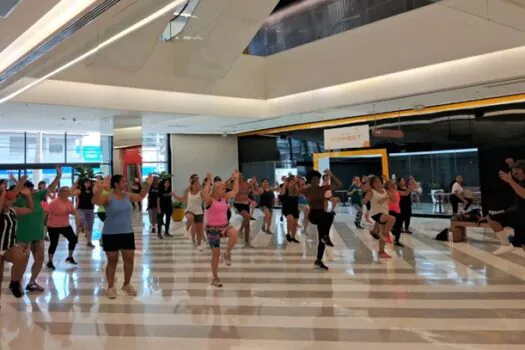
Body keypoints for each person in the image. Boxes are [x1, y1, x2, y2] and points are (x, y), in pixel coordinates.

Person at [92, 174, 153, 299]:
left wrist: (147, 184)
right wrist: (98, 189)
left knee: (129, 259)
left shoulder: (127, 196)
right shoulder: (108, 196)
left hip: (127, 232)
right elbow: (95, 201)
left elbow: (141, 196)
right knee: (112, 260)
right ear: (116, 184)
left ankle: (126, 284)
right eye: (123, 182)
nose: (125, 184)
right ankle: (110, 287)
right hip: (110, 233)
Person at [13, 167, 61, 293]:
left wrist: (58, 176)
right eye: (27, 188)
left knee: (39, 259)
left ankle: (32, 282)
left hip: (38, 234)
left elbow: (50, 188)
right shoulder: (16, 201)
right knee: (22, 261)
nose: (30, 190)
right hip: (23, 235)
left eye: (30, 188)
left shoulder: (36, 196)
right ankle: (16, 282)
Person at [202, 171, 239, 287]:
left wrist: (236, 179)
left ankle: (227, 253)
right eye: (222, 188)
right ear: (216, 190)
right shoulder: (209, 200)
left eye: (224, 188)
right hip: (212, 229)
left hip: (224, 226)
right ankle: (215, 277)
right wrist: (208, 183)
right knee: (215, 254)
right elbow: (204, 194)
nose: (225, 190)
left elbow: (234, 191)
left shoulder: (224, 198)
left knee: (234, 233)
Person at [1, 179, 35, 302]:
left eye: (13, 198)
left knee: (23, 255)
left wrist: (28, 196)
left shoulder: (13, 211)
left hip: (8, 245)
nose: (12, 200)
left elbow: (31, 209)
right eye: (8, 199)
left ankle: (15, 282)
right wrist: (3, 193)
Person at [304, 169, 342, 270]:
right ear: (310, 180)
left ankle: (319, 260)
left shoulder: (323, 188)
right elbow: (293, 193)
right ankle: (326, 236)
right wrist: (303, 186)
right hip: (313, 214)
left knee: (330, 216)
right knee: (327, 217)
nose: (317, 180)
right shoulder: (307, 190)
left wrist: (331, 174)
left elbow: (339, 185)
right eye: (315, 179)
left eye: (318, 178)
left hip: (321, 213)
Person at [487, 159, 525, 255]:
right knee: (492, 217)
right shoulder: (520, 181)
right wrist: (512, 164)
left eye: (515, 169)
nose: (512, 171)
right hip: (519, 216)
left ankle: (506, 245)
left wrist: (510, 181)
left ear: (521, 170)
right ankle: (506, 245)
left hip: (522, 217)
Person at [363, 176, 396, 259]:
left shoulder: (385, 191)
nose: (377, 183)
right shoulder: (371, 191)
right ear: (372, 184)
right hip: (376, 214)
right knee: (392, 218)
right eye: (375, 182)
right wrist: (365, 196)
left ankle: (381, 252)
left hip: (384, 214)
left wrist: (391, 193)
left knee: (382, 234)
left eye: (378, 181)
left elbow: (393, 200)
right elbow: (364, 201)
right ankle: (386, 235)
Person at [46, 186, 79, 270]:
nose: (68, 193)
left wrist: (74, 212)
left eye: (68, 191)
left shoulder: (69, 202)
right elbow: (46, 213)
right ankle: (50, 262)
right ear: (60, 192)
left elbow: (72, 212)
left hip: (65, 225)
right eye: (66, 191)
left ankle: (69, 257)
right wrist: (43, 226)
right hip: (53, 226)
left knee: (73, 239)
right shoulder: (54, 202)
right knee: (54, 243)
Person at [182, 179, 205, 249]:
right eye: (195, 184)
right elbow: (182, 198)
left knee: (199, 231)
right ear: (191, 185)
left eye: (198, 183)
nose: (197, 185)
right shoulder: (188, 192)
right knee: (191, 218)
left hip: (199, 212)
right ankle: (186, 230)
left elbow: (206, 197)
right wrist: (174, 196)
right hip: (189, 211)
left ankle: (199, 245)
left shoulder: (201, 192)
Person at [233, 174, 254, 247]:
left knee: (247, 224)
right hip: (238, 204)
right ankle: (240, 230)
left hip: (246, 204)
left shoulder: (246, 184)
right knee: (248, 217)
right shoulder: (235, 184)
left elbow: (254, 190)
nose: (240, 178)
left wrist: (253, 183)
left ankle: (247, 242)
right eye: (239, 177)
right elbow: (226, 185)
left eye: (241, 177)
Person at [280, 176, 301, 243]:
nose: (292, 184)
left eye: (293, 182)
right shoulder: (284, 189)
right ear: (288, 183)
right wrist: (285, 184)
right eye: (290, 182)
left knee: (295, 223)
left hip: (295, 208)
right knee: (290, 218)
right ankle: (288, 234)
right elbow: (281, 193)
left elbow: (299, 193)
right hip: (287, 208)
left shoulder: (296, 190)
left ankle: (293, 237)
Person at [76, 178, 96, 248]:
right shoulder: (80, 191)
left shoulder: (93, 191)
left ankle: (89, 242)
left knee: (90, 226)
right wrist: (76, 208)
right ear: (83, 183)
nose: (87, 184)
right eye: (86, 183)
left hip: (90, 210)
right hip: (81, 209)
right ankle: (76, 237)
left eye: (88, 183)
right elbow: (77, 199)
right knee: (81, 222)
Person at [385, 180, 404, 247]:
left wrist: (410, 189)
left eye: (393, 183)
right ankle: (391, 233)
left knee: (399, 227)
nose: (392, 184)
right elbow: (393, 200)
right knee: (395, 227)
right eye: (390, 184)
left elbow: (405, 193)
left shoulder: (396, 190)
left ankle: (396, 240)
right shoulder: (386, 191)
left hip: (398, 210)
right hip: (390, 210)